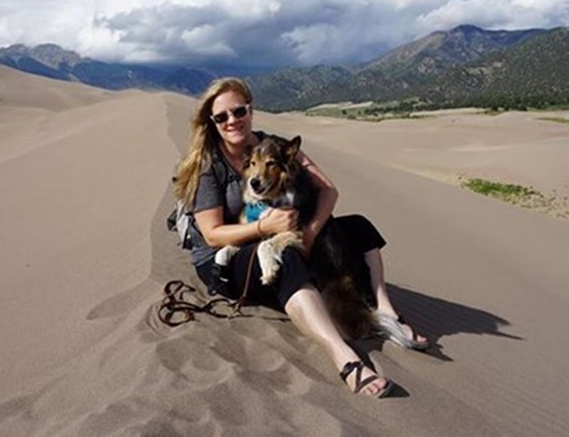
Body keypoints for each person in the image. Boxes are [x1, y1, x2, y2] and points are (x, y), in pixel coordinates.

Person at [173, 77, 428, 398]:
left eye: (238, 111)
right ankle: (343, 355)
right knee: (286, 258)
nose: (232, 121)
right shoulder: (210, 164)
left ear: (250, 108)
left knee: (358, 227)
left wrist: (306, 235)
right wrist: (266, 229)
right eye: (221, 117)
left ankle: (385, 309)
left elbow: (328, 190)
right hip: (224, 256)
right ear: (212, 122)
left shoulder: (276, 145)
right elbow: (212, 235)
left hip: (281, 235)